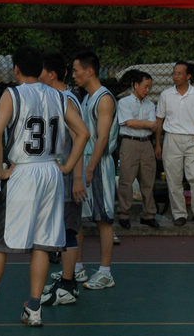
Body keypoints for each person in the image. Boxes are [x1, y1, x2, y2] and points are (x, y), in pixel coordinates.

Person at [0, 47, 89, 327]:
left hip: (23, 171)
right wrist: (66, 166)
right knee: (42, 243)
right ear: (41, 69)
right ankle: (34, 308)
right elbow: (83, 133)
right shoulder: (60, 96)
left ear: (16, 69)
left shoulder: (13, 94)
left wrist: (0, 170)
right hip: (50, 171)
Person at [38, 52, 88, 306]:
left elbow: (80, 137)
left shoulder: (67, 100)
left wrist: (77, 176)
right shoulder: (52, 98)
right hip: (56, 176)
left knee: (68, 229)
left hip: (67, 176)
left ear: (52, 74)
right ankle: (66, 281)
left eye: (41, 71)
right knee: (60, 229)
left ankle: (68, 284)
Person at [72, 51, 119, 290]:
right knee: (78, 217)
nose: (73, 75)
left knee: (103, 218)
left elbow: (102, 138)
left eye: (76, 70)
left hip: (98, 163)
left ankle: (105, 272)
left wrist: (90, 168)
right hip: (85, 161)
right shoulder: (86, 98)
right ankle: (77, 267)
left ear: (89, 71)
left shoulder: (104, 98)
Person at [155, 62, 194, 230]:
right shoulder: (165, 94)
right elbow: (159, 120)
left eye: (179, 73)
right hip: (171, 138)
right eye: (174, 73)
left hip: (193, 139)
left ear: (188, 76)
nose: (175, 76)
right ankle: (179, 214)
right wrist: (158, 143)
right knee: (173, 178)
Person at [116, 70, 159, 229]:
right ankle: (124, 213)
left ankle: (149, 214)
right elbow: (130, 122)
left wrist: (143, 124)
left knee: (148, 180)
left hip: (146, 143)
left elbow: (154, 126)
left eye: (149, 87)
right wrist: (146, 123)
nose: (147, 90)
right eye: (145, 87)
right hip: (129, 142)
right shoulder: (124, 102)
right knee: (126, 179)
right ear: (135, 85)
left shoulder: (150, 104)